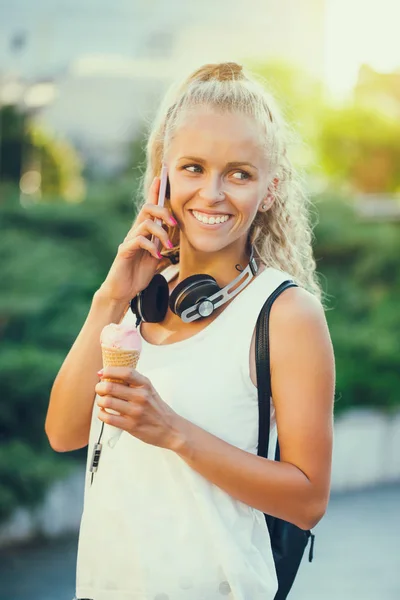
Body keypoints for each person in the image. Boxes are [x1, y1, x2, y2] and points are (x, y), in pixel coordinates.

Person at [45, 62, 335, 600]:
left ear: (269, 190)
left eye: (240, 173)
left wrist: (174, 431)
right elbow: (63, 433)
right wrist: (110, 298)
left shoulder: (285, 314)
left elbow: (308, 498)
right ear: (164, 176)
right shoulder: (139, 297)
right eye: (194, 168)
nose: (213, 193)